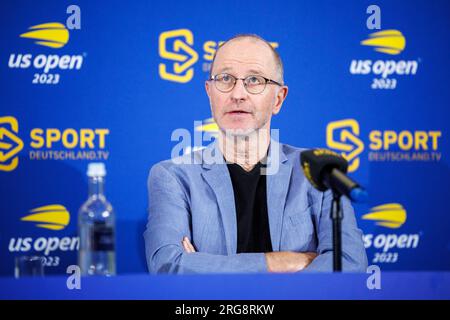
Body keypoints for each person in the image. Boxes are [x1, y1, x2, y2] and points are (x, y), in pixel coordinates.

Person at [144, 34, 367, 273]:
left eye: (254, 80)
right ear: (210, 93)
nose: (238, 93)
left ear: (278, 99)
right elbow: (168, 265)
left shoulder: (317, 172)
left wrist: (204, 265)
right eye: (225, 78)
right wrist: (283, 262)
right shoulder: (174, 176)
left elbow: (349, 263)